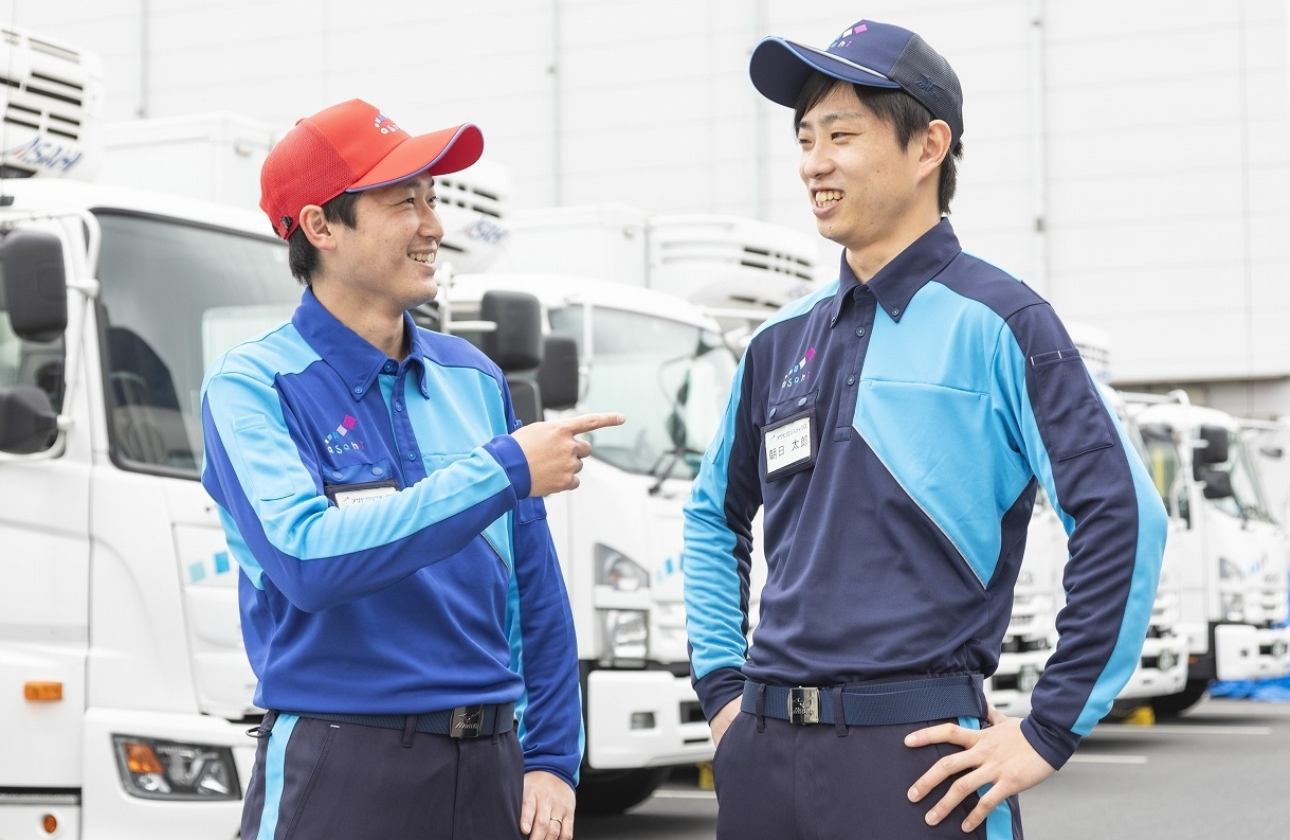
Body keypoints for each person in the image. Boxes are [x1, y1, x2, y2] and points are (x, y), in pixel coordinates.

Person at [683, 19, 1168, 839]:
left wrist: (1048, 728)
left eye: (841, 135)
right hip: (763, 758)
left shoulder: (1004, 322)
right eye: (805, 138)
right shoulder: (777, 341)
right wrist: (725, 693)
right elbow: (710, 517)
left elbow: (1124, 517)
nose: (813, 162)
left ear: (928, 147)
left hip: (918, 764)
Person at [201, 98, 622, 840]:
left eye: (432, 198)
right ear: (320, 226)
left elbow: (533, 587)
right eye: (405, 202)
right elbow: (306, 560)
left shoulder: (474, 377)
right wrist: (500, 470)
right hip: (340, 763)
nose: (434, 225)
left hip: (491, 767)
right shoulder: (251, 386)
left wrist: (553, 756)